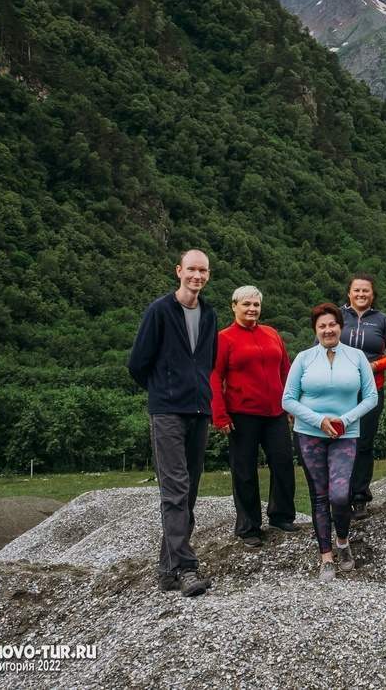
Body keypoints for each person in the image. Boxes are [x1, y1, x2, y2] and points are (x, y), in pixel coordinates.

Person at [127, 249, 218, 597]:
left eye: (203, 271)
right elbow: (137, 363)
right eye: (191, 269)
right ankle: (185, 568)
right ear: (179, 271)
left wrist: (199, 392)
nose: (197, 276)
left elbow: (206, 361)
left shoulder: (208, 315)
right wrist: (163, 391)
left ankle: (167, 570)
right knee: (175, 488)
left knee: (189, 490)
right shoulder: (160, 311)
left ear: (207, 275)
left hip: (199, 410)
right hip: (167, 412)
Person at [282, 303, 379, 582]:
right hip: (310, 433)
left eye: (332, 325)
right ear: (316, 330)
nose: (328, 330)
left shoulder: (357, 357)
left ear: (341, 326)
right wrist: (319, 420)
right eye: (322, 326)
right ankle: (326, 557)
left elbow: (371, 397)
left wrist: (345, 419)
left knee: (340, 494)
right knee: (320, 496)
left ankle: (342, 541)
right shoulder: (304, 358)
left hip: (345, 435)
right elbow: (287, 399)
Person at [210, 285, 296, 548]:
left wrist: (292, 405)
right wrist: (220, 415)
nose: (252, 309)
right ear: (234, 306)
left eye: (256, 305)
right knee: (245, 471)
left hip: (275, 412)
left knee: (283, 463)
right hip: (242, 414)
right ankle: (248, 527)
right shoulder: (223, 338)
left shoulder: (271, 333)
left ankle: (281, 516)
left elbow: (286, 371)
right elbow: (214, 377)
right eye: (246, 304)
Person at [341, 273, 386, 518]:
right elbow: (319, 345)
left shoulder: (383, 320)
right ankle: (338, 495)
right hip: (338, 389)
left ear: (373, 294)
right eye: (356, 290)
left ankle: (360, 497)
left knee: (363, 443)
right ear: (349, 293)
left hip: (371, 388)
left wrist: (376, 365)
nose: (361, 294)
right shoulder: (337, 316)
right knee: (340, 441)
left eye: (366, 290)